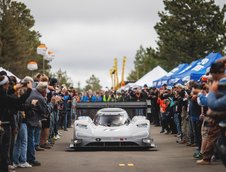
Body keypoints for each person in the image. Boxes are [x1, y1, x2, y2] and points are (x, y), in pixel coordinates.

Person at [0, 75, 32, 172]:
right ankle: (4, 168)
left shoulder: (3, 94)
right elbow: (18, 101)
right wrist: (29, 90)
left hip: (5, 123)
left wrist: (16, 87)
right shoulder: (3, 96)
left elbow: (8, 95)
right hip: (4, 125)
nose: (9, 85)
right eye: (8, 84)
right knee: (4, 149)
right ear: (4, 85)